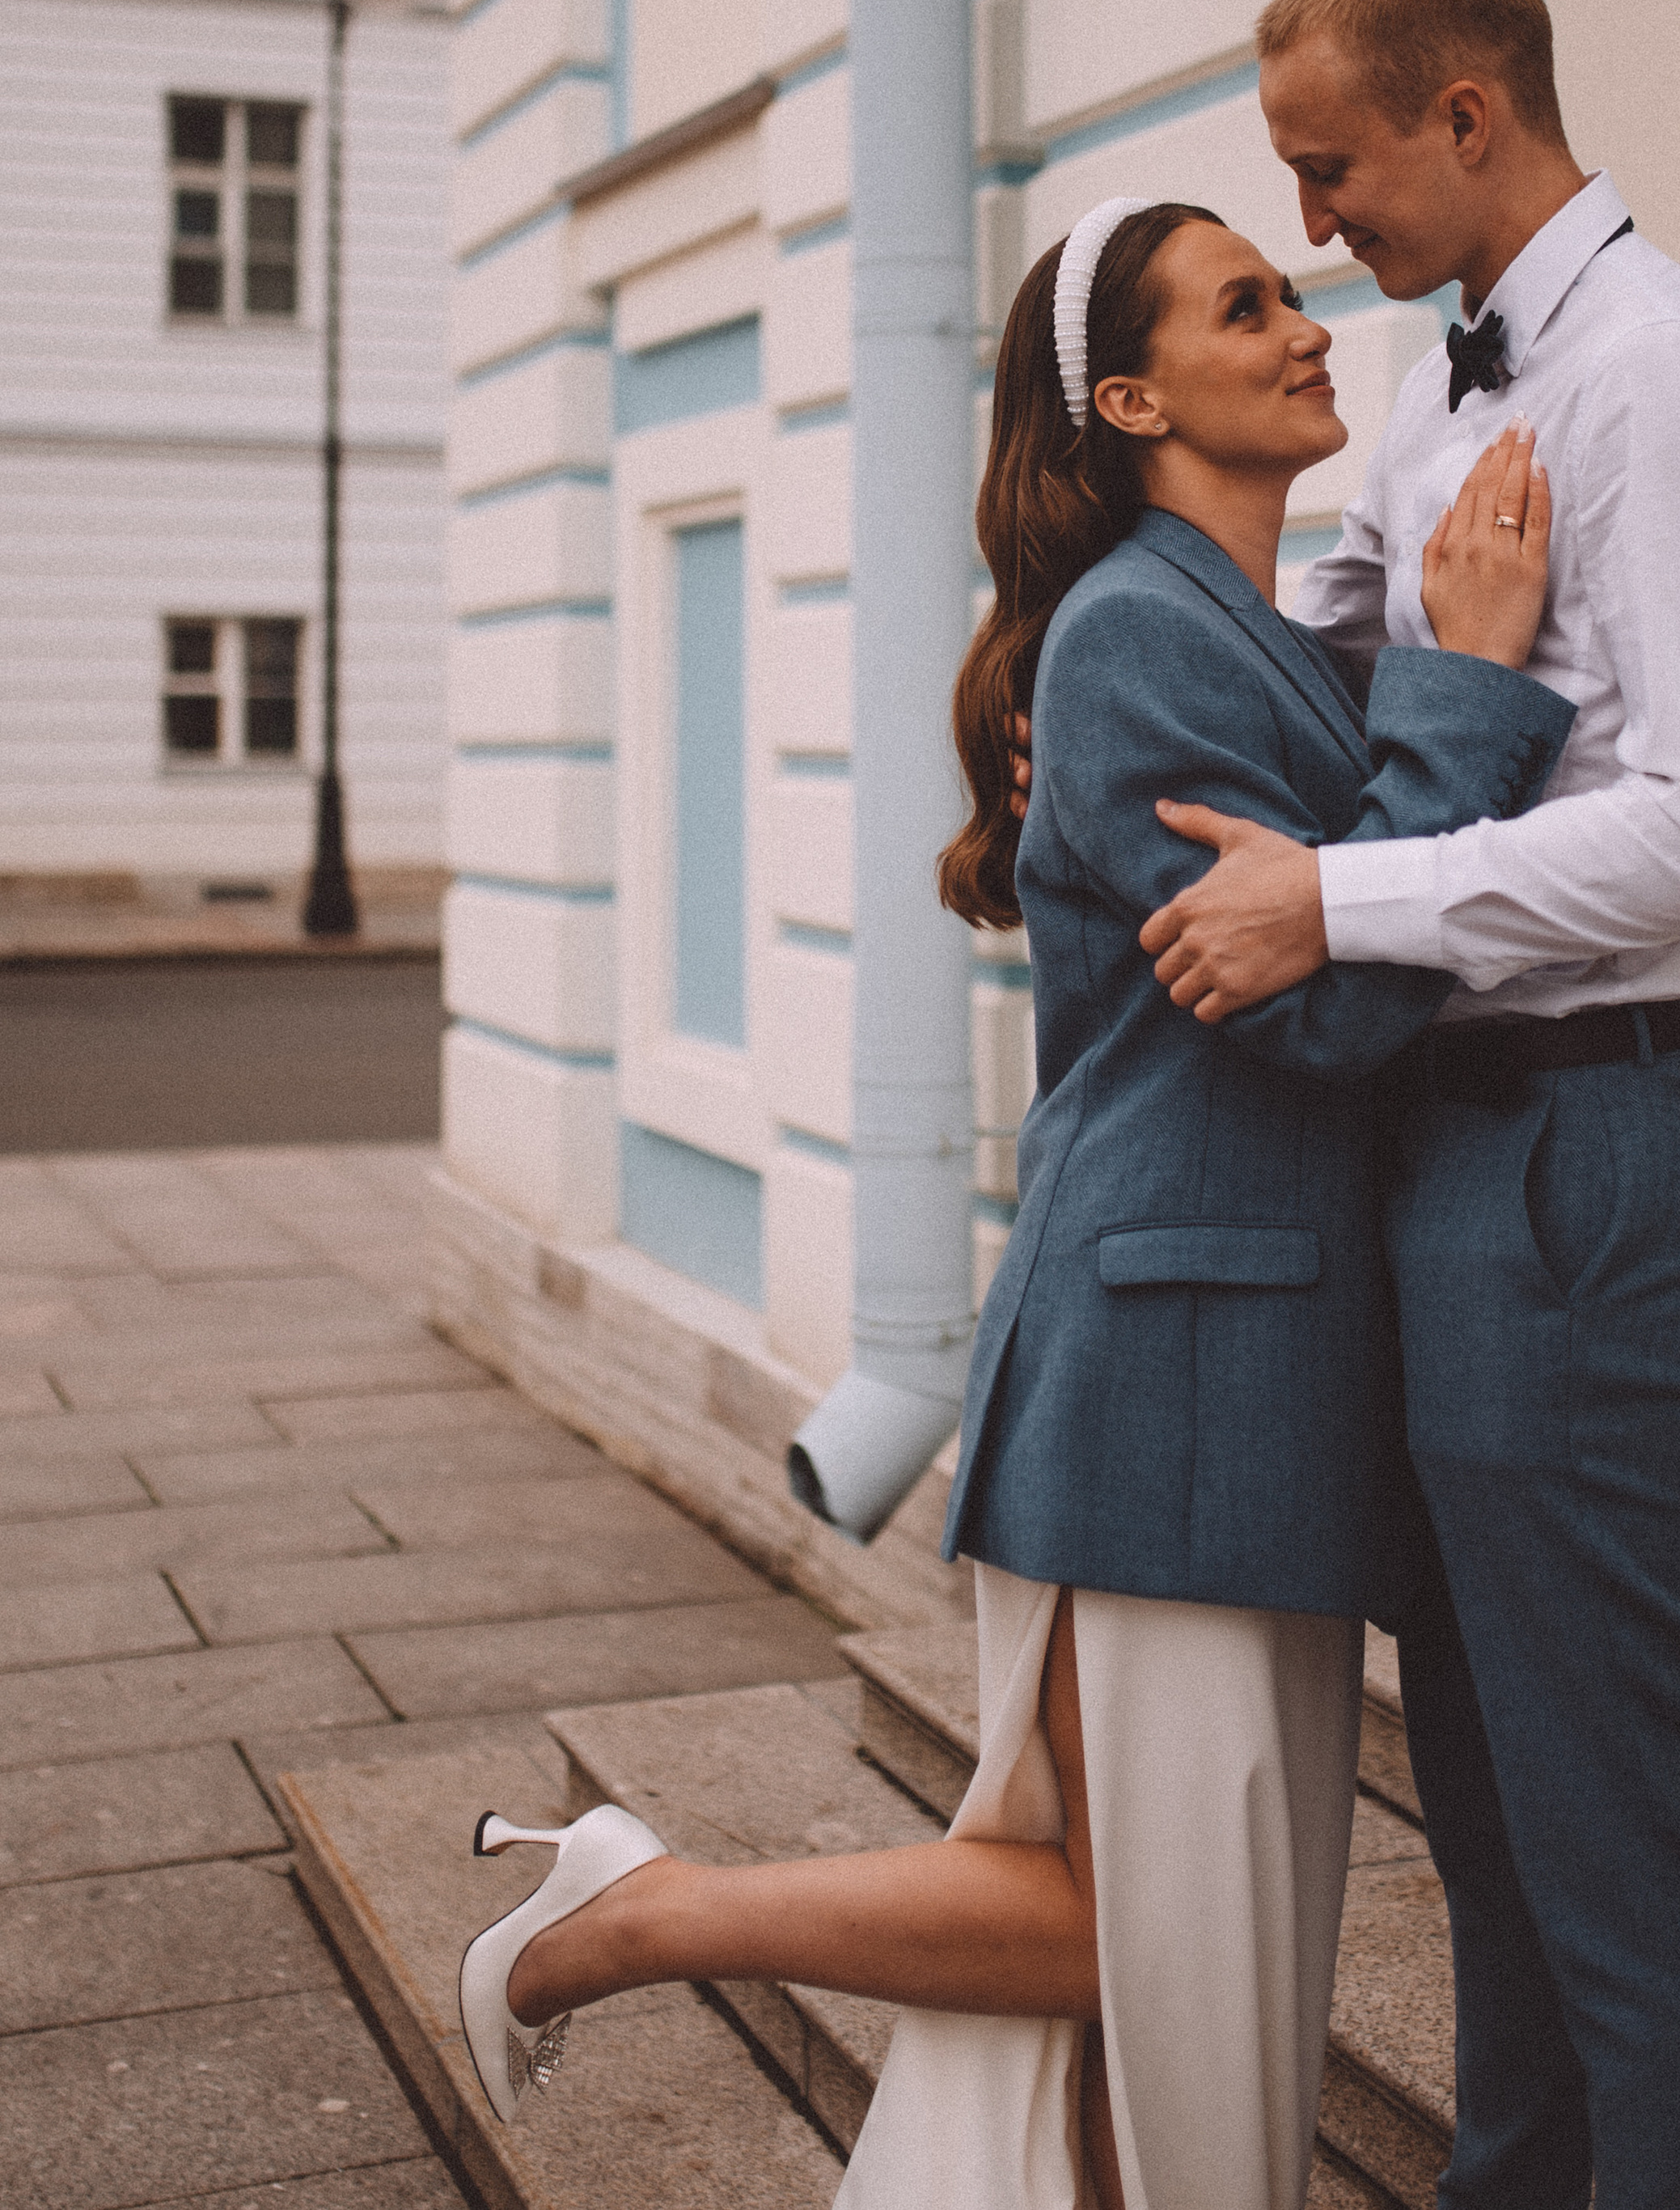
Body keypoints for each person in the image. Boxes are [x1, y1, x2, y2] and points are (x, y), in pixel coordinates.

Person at [454, 194, 1575, 2210]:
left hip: (1232, 1359)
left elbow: (1334, 933)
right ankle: (632, 1919)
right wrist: (1474, 681)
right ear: (1131, 395)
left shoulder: (1211, 620)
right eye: (1246, 303)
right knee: (1152, 1943)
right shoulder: (1139, 631)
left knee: (1131, 1933)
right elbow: (1330, 1014)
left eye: (1289, 286)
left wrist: (1409, 669)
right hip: (1178, 1363)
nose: (1304, 320)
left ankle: (634, 1906)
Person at [1136, 0, 1680, 2210]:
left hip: (1601, 1142)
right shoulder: (1437, 389)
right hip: (1447, 1142)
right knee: (1504, 1825)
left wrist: (1334, 901)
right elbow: (1334, 676)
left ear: (1466, 108)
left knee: (1610, 1830)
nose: (1315, 229)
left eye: (1332, 172)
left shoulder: (1676, 384)